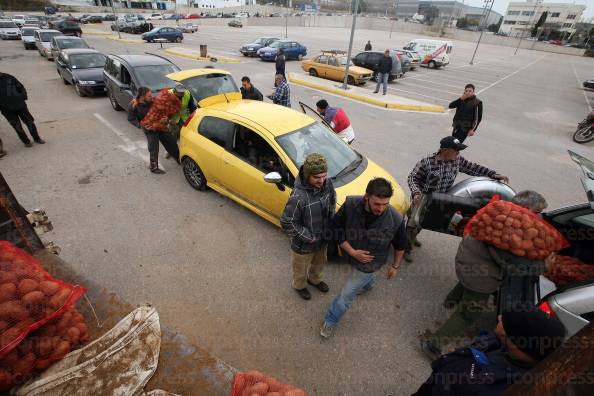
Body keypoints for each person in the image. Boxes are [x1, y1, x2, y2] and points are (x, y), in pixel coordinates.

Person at [421, 191, 552, 360]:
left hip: (465, 260)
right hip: (479, 274)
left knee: (467, 284)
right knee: (467, 314)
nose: (539, 218)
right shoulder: (513, 231)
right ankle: (433, 345)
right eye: (538, 213)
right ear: (526, 209)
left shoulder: (499, 211)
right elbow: (513, 263)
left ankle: (450, 300)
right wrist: (543, 265)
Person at [320, 178, 407, 338]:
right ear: (366, 196)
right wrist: (352, 251)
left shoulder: (395, 219)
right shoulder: (351, 204)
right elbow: (335, 229)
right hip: (350, 253)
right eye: (377, 204)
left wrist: (395, 266)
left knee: (346, 295)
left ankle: (331, 320)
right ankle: (368, 284)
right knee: (363, 280)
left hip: (370, 264)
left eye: (385, 204)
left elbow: (401, 244)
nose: (381, 209)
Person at [413, 307, 565, 396]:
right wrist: (462, 355)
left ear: (514, 340)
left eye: (505, 320)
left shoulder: (497, 387)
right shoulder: (502, 344)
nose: (499, 317)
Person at [405, 136, 509, 262]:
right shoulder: (427, 162)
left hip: (441, 200)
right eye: (456, 150)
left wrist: (493, 174)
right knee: (412, 223)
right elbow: (412, 178)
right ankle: (405, 247)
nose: (459, 153)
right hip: (423, 199)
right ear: (445, 150)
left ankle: (413, 237)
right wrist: (416, 193)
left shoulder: (457, 160)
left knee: (424, 221)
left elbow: (473, 168)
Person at [280, 153, 336, 301]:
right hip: (303, 245)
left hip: (322, 239)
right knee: (300, 269)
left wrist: (331, 223)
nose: (321, 180)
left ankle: (315, 280)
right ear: (307, 175)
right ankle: (300, 286)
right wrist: (308, 237)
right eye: (317, 177)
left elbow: (332, 202)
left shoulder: (328, 184)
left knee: (319, 263)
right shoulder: (298, 196)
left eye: (324, 175)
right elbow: (287, 222)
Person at [140, 88, 181, 174]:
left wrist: (167, 118)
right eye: (149, 96)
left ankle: (178, 158)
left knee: (171, 142)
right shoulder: (136, 105)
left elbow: (165, 112)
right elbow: (131, 117)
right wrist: (140, 125)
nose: (151, 97)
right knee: (154, 147)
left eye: (151, 94)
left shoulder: (156, 101)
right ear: (143, 97)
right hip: (150, 128)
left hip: (161, 126)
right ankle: (153, 167)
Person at [0, 72, 45, 149]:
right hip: (7, 110)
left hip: (20, 106)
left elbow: (20, 86)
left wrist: (23, 96)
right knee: (17, 126)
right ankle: (26, 141)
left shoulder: (8, 77)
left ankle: (37, 138)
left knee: (30, 122)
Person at [166, 83, 197, 159]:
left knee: (184, 137)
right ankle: (170, 151)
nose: (182, 93)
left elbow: (192, 107)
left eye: (183, 92)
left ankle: (182, 153)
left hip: (185, 119)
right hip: (173, 121)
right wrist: (168, 120)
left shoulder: (187, 94)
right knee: (172, 138)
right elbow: (163, 110)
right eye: (180, 92)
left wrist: (194, 117)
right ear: (175, 90)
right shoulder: (167, 95)